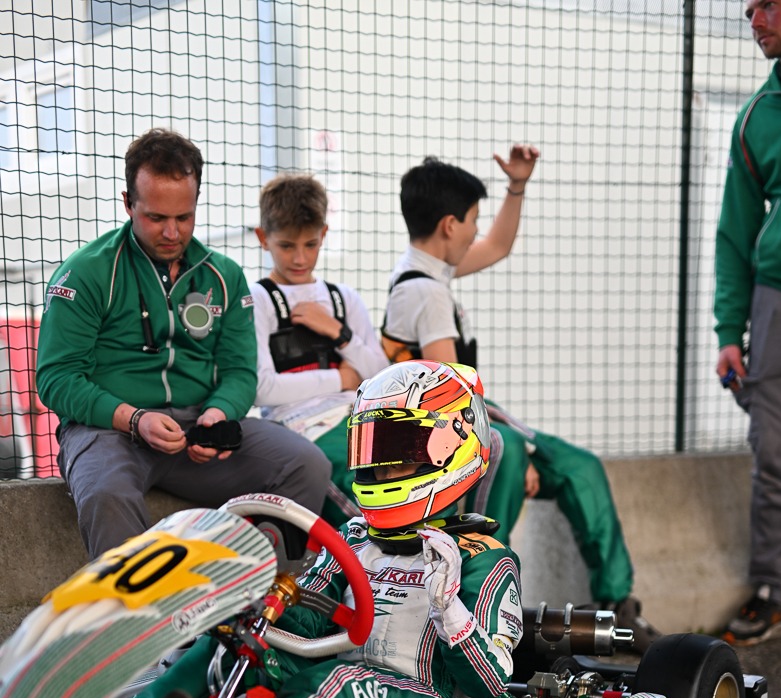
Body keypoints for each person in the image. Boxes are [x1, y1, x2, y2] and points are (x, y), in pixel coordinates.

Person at [67, 360, 524, 698]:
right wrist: (254, 608)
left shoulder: (485, 559)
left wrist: (449, 610)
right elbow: (308, 619)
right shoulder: (356, 538)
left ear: (453, 447)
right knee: (236, 641)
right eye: (374, 453)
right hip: (339, 679)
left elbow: (490, 684)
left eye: (397, 452)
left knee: (342, 682)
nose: (382, 469)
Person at [382, 149, 660, 653]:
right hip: (448, 441)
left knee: (579, 467)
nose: (476, 230)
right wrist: (514, 445)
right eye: (472, 220)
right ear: (449, 225)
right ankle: (490, 604)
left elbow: (497, 246)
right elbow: (450, 401)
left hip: (474, 420)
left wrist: (516, 187)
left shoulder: (430, 272)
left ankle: (619, 604)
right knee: (507, 454)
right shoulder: (426, 293)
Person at [36, 128, 330, 561]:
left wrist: (218, 415)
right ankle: (136, 606)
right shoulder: (86, 272)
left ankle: (262, 593)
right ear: (128, 203)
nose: (172, 232)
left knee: (307, 464)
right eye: (156, 217)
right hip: (108, 430)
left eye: (185, 217)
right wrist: (134, 419)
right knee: (106, 493)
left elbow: (240, 372)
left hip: (195, 429)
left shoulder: (225, 275)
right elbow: (56, 378)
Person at [714, 0, 781, 646]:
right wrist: (728, 333)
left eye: (768, 4)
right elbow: (734, 235)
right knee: (775, 451)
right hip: (780, 304)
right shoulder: (755, 118)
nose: (755, 19)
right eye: (748, 11)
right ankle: (777, 590)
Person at [250, 173, 388, 525]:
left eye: (310, 245)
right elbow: (263, 389)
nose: (300, 258)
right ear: (263, 238)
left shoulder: (343, 298)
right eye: (287, 246)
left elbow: (382, 376)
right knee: (365, 494)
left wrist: (338, 332)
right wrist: (342, 378)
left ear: (324, 234)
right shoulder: (256, 299)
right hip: (298, 429)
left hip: (359, 419)